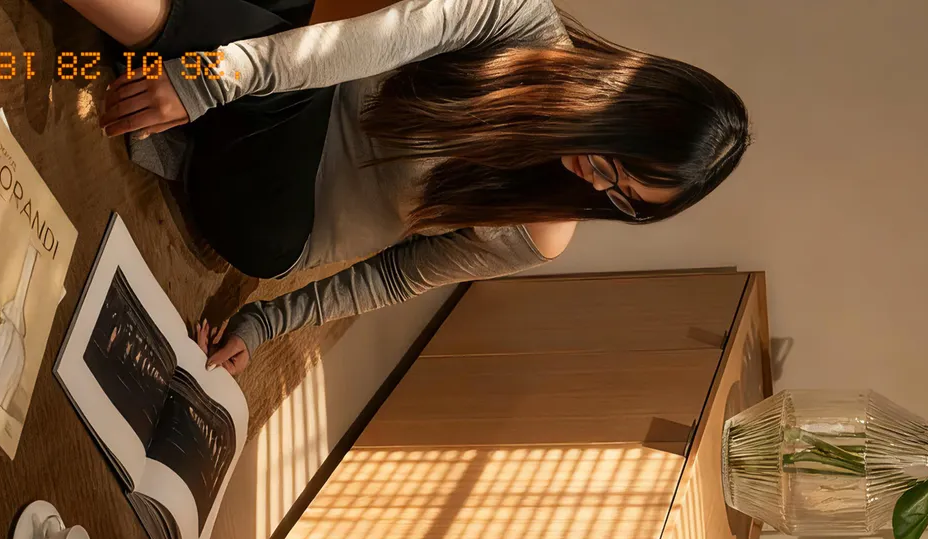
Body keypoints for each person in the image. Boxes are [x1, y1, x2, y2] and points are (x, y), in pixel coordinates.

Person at [67, 0, 751, 374]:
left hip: (279, 215)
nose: (595, 183)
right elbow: (361, 44)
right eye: (614, 162)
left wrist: (268, 320)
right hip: (298, 82)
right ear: (624, 103)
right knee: (287, 27)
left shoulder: (540, 230)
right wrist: (212, 82)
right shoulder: (518, 21)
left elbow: (395, 277)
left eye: (620, 198)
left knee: (271, 46)